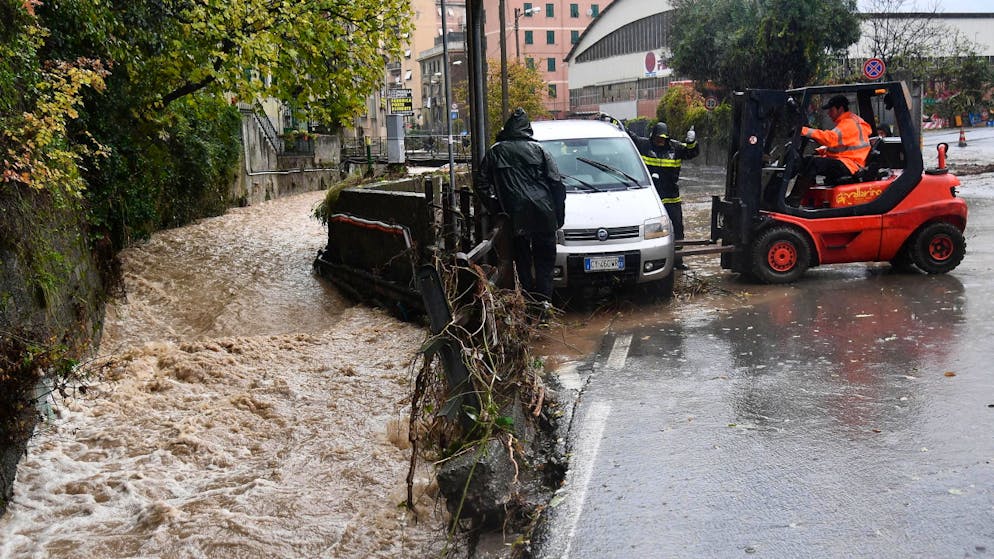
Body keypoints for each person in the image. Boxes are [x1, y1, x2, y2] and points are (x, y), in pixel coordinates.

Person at [477, 108, 566, 303]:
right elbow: (557, 184)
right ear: (527, 129)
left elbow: (481, 184)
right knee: (545, 263)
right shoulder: (540, 150)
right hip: (544, 214)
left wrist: (498, 209)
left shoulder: (496, 151)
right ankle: (543, 304)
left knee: (521, 261)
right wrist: (558, 217)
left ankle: (525, 303)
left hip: (514, 216)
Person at [628, 122, 699, 269]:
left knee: (677, 229)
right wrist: (615, 122)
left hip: (672, 196)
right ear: (652, 137)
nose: (660, 141)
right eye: (657, 139)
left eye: (663, 139)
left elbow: (691, 153)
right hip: (652, 198)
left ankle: (677, 261)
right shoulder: (644, 145)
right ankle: (655, 261)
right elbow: (631, 137)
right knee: (652, 231)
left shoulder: (676, 148)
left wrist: (691, 142)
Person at [788, 94, 872, 205]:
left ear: (840, 109)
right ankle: (801, 199)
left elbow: (830, 139)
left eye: (831, 110)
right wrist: (820, 151)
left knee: (815, 163)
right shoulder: (848, 122)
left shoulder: (849, 123)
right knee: (808, 160)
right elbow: (841, 145)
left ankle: (793, 202)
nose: (828, 113)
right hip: (847, 160)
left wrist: (803, 131)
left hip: (850, 165)